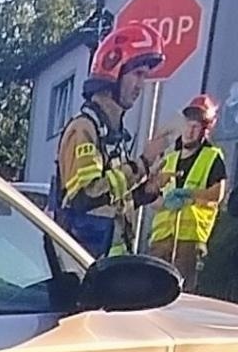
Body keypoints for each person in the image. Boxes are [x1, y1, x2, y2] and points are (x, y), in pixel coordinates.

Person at [55, 23, 171, 259]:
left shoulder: (112, 134)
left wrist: (143, 193)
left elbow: (110, 204)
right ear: (113, 70)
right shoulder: (85, 128)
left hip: (107, 267)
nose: (141, 86)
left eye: (145, 77)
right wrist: (143, 164)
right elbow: (86, 197)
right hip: (81, 268)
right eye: (137, 74)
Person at [148, 95, 228, 291]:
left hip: (189, 242)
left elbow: (217, 194)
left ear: (205, 130)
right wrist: (164, 202)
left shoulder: (212, 157)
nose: (191, 130)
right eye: (189, 123)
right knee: (151, 293)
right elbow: (151, 195)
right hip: (161, 239)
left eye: (197, 126)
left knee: (182, 294)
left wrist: (189, 195)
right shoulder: (170, 157)